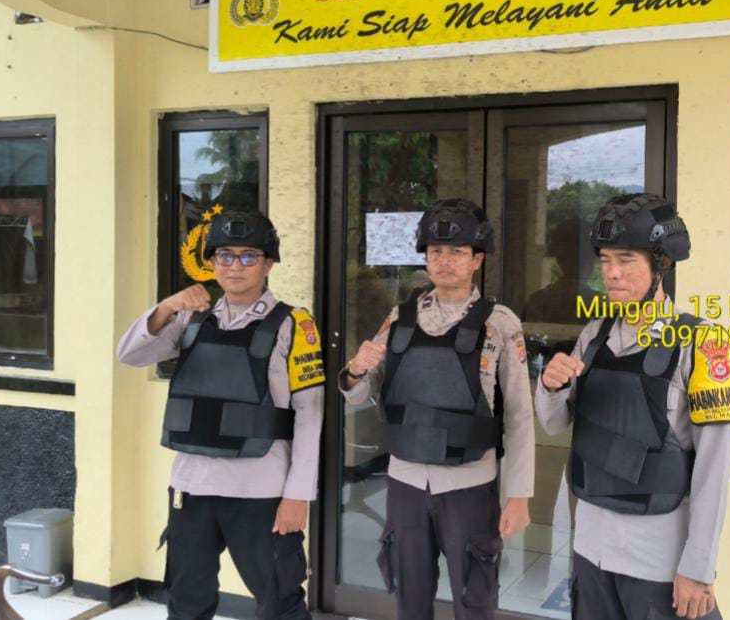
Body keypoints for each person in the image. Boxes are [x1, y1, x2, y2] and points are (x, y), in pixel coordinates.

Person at [536, 193, 730, 620]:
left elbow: (714, 467)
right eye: (606, 260)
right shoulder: (594, 335)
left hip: (657, 562)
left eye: (626, 260)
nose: (611, 273)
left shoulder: (704, 342)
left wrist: (698, 567)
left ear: (661, 263)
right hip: (590, 550)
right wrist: (551, 385)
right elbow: (555, 425)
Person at [116, 210, 324, 620]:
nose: (235, 266)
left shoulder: (293, 324)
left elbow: (310, 413)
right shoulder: (191, 319)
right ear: (211, 263)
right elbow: (130, 355)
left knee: (279, 603)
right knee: (186, 602)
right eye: (225, 255)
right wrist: (167, 306)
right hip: (193, 486)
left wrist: (297, 495)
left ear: (268, 264)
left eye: (249, 256)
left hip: (261, 489)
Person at [340, 198, 535, 620]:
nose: (444, 261)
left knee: (474, 598)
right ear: (425, 259)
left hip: (468, 484)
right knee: (409, 597)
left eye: (456, 251)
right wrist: (355, 371)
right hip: (405, 482)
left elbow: (519, 415)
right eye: (435, 251)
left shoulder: (500, 323)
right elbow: (360, 393)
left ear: (477, 259)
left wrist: (518, 495)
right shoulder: (400, 317)